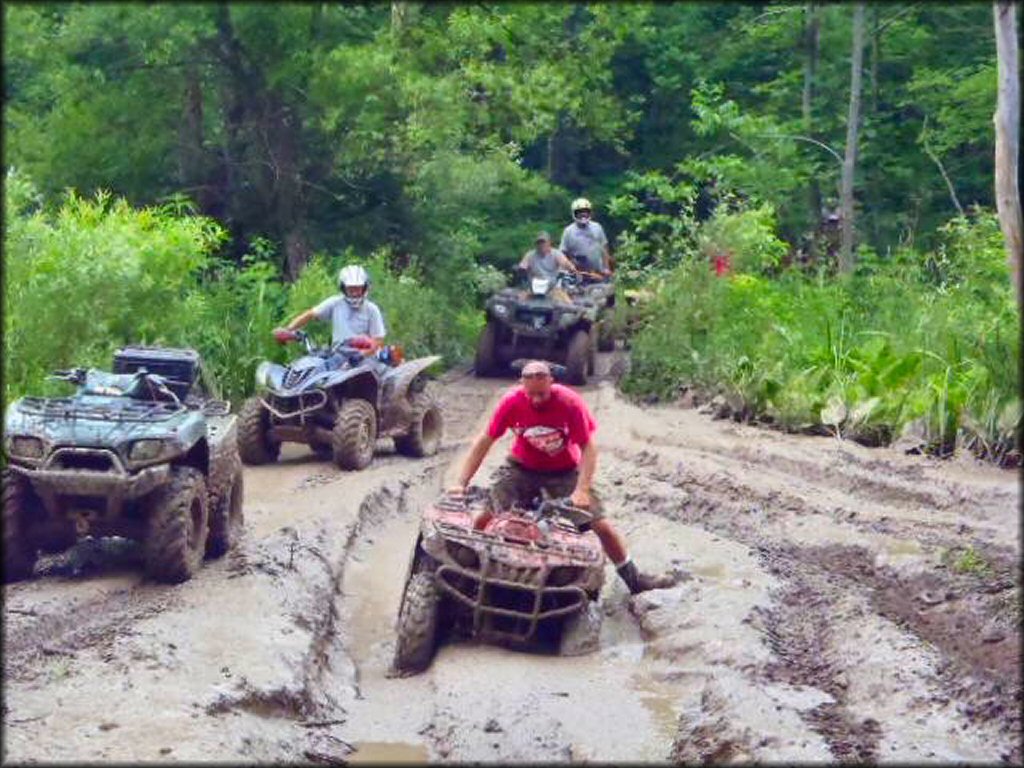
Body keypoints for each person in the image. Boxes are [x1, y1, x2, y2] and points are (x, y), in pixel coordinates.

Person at [448, 360, 680, 595]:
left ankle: (634, 579)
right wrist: (461, 482)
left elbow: (588, 448)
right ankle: (469, 571)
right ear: (521, 385)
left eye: (542, 393)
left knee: (601, 524)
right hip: (521, 468)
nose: (537, 399)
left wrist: (582, 489)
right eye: (531, 394)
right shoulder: (511, 402)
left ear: (551, 382)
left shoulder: (569, 402)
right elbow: (485, 440)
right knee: (486, 515)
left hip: (564, 472)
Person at [273, 264, 386, 352]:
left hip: (364, 359)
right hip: (339, 356)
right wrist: (288, 330)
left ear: (364, 288)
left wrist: (360, 355)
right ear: (343, 288)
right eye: (350, 289)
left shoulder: (372, 309)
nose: (355, 293)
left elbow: (378, 341)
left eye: (358, 288)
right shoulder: (335, 302)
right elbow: (311, 314)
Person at [559, 197, 613, 277]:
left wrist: (606, 267)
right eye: (579, 212)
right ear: (574, 213)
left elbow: (604, 248)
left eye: (586, 211)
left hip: (598, 273)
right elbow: (563, 253)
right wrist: (569, 267)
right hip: (577, 273)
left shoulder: (597, 227)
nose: (583, 214)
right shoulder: (568, 231)